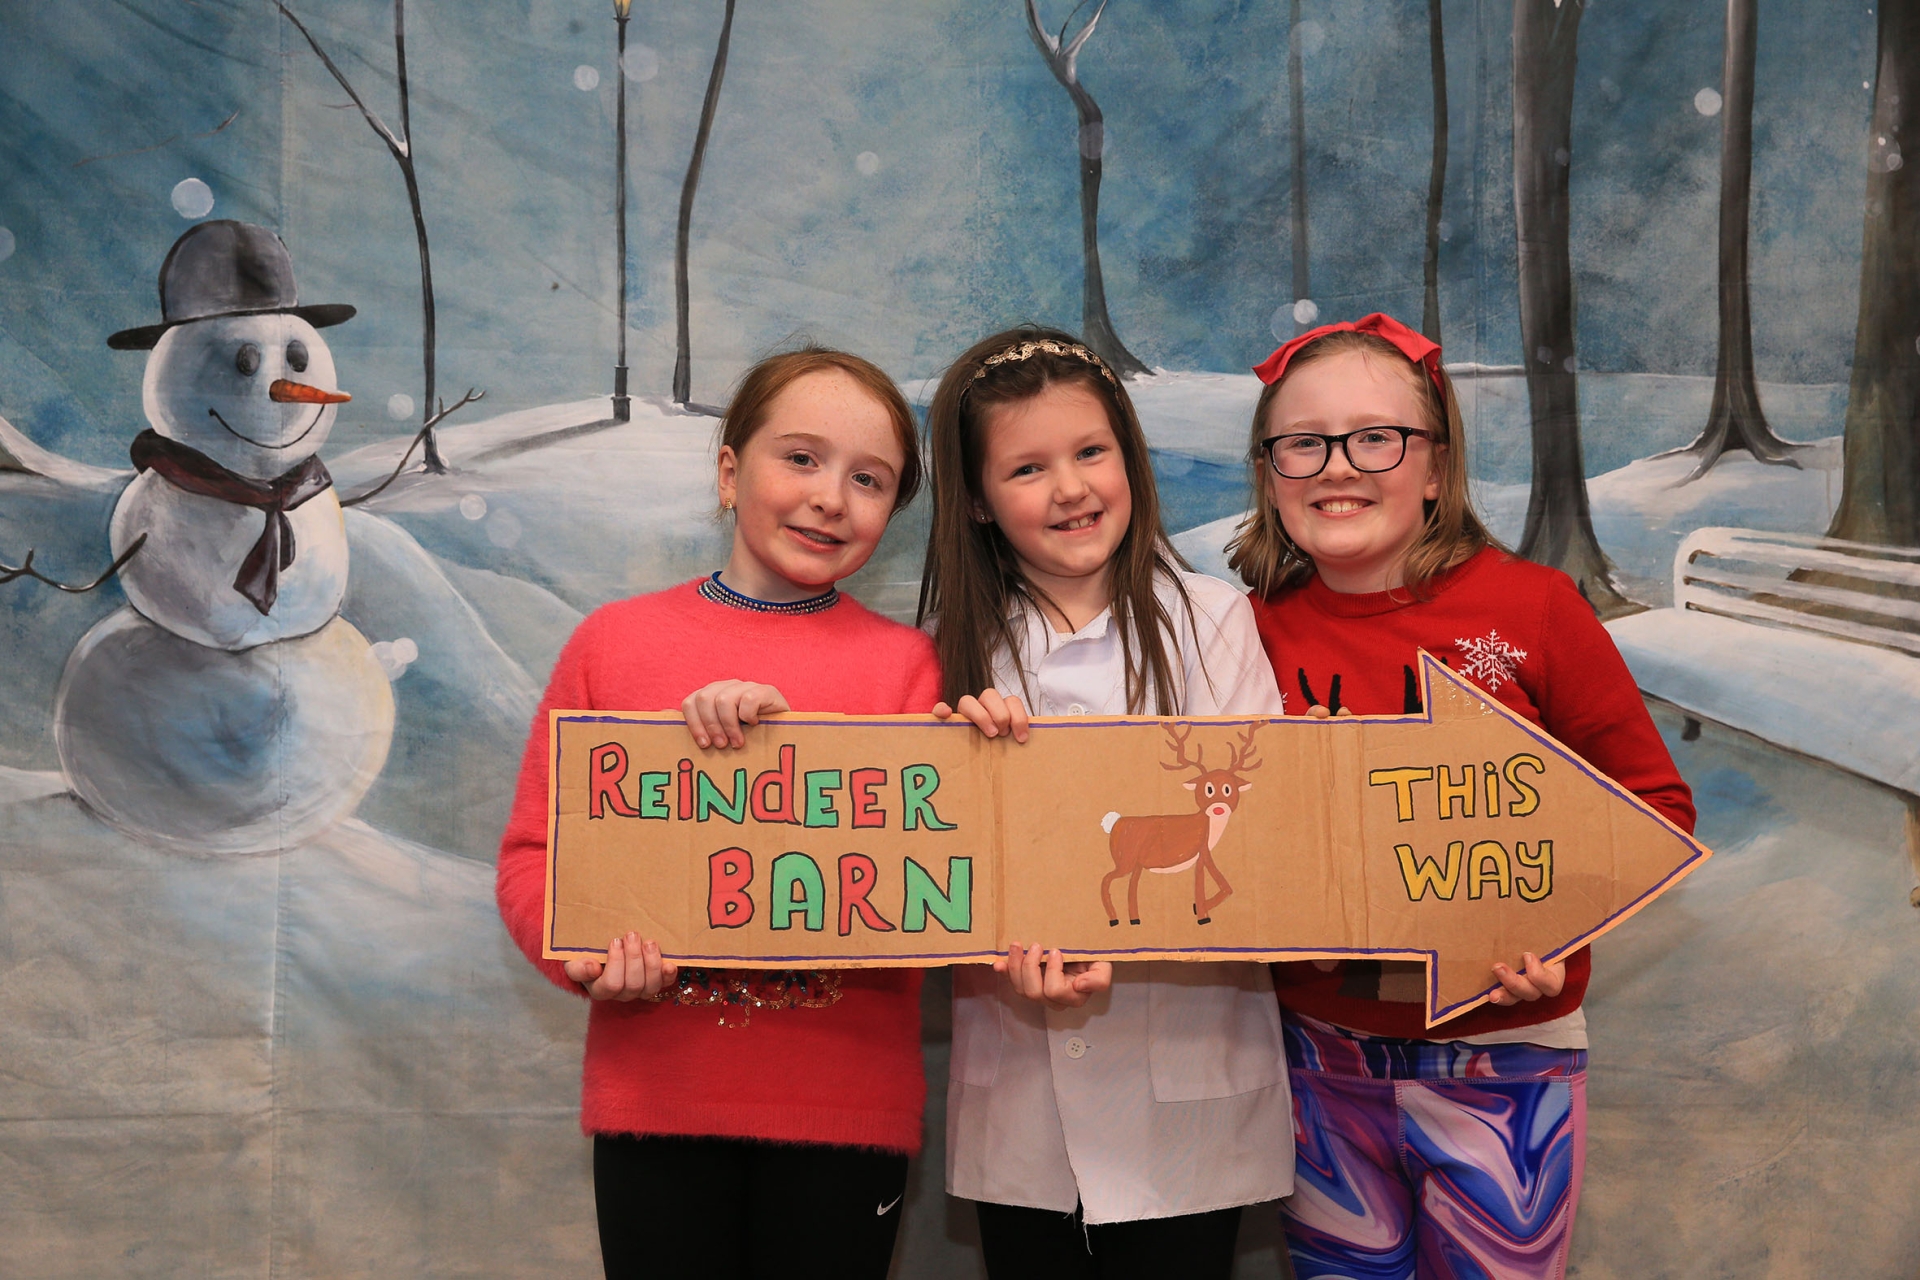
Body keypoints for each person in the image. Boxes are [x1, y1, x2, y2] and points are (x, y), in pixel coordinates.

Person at [1227, 313, 1696, 1280]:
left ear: (1437, 466)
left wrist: (1551, 930)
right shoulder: (1242, 632)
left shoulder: (1535, 610)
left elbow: (1652, 808)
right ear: (1270, 474)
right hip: (1317, 1060)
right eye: (1303, 443)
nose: (1337, 467)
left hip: (1509, 1061)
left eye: (1377, 438)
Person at [494, 348, 942, 1280]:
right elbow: (535, 854)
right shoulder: (612, 643)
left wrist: (800, 751)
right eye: (802, 458)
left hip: (844, 1114)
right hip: (657, 1103)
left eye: (869, 480)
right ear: (731, 473)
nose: (830, 498)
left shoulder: (907, 670)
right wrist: (583, 955)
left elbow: (933, 888)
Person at [919, 327, 1293, 1280]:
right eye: (1027, 468)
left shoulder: (1214, 619)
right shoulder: (945, 653)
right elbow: (920, 874)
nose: (1070, 488)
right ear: (976, 499)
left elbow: (1263, 848)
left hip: (1188, 1093)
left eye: (1091, 451)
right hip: (1021, 1108)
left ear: (1129, 456)